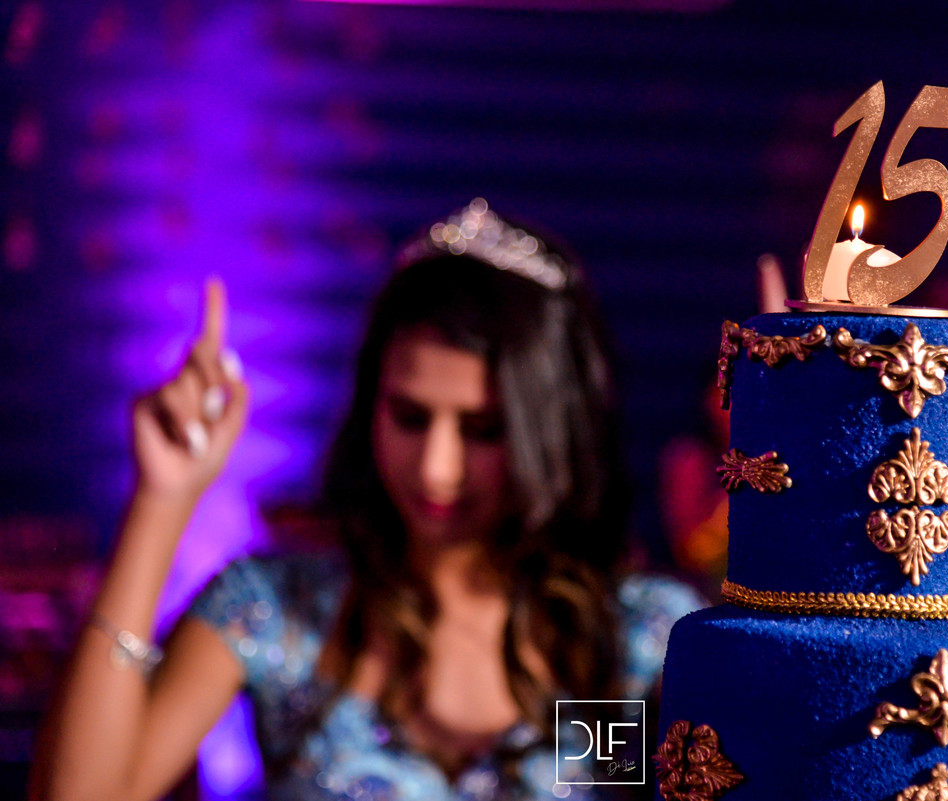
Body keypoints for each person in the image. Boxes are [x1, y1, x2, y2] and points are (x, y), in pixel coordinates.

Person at [31, 199, 705, 801]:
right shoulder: (278, 612)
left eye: (483, 430)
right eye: (410, 417)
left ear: (550, 430)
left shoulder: (626, 643)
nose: (437, 469)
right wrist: (162, 498)